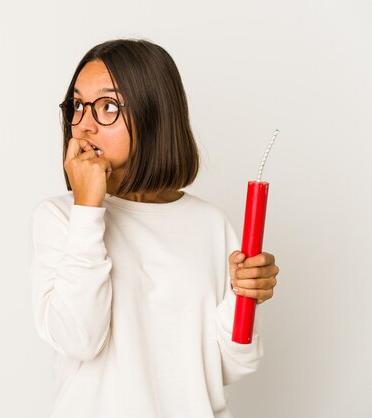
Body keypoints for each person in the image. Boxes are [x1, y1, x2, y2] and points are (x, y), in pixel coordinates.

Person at [28, 39, 280, 418]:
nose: (83, 125)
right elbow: (79, 340)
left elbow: (227, 368)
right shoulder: (61, 218)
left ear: (153, 114)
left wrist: (243, 299)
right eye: (77, 106)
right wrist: (88, 209)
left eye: (108, 106)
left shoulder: (209, 225)